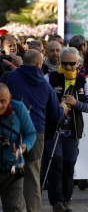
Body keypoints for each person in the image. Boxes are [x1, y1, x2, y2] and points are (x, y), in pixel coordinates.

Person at [1, 49, 67, 212]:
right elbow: (55, 114)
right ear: (39, 64)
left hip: (11, 131)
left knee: (12, 175)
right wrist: (63, 108)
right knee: (32, 178)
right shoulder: (46, 84)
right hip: (36, 134)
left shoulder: (10, 77)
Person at [44, 47, 88, 212]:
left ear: (78, 63)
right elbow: (41, 102)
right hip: (54, 130)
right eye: (64, 63)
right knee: (56, 164)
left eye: (72, 64)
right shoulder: (49, 78)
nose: (68, 67)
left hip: (73, 131)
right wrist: (55, 107)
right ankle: (56, 201)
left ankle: (66, 198)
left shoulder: (83, 81)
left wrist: (75, 103)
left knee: (68, 165)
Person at [0, 83, 37, 212]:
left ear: (9, 99)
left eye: (3, 101)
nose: (0, 105)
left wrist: (24, 146)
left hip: (13, 168)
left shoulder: (19, 108)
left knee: (14, 208)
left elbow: (31, 133)